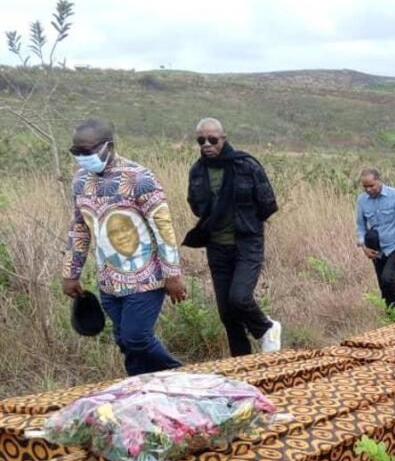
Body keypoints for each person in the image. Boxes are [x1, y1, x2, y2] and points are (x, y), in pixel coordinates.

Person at [61, 118, 187, 376]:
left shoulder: (139, 178)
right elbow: (80, 228)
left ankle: (180, 375)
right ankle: (141, 395)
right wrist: (70, 273)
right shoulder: (80, 181)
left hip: (146, 278)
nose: (83, 157)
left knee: (136, 338)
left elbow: (163, 227)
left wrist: (172, 274)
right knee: (124, 343)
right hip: (108, 281)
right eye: (77, 152)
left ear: (109, 146)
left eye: (88, 151)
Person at [184, 118, 281, 356]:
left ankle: (267, 327)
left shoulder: (246, 165)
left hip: (247, 243)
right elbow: (196, 206)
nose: (207, 144)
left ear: (223, 139)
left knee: (239, 298)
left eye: (212, 139)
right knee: (227, 313)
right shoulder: (198, 170)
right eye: (201, 140)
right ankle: (242, 363)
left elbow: (267, 203)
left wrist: (246, 221)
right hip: (216, 246)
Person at [355, 168, 395, 312]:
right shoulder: (362, 200)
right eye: (365, 186)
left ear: (379, 180)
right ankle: (392, 315)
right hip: (376, 249)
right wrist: (364, 247)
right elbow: (360, 225)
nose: (368, 189)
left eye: (371, 185)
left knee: (387, 278)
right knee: (383, 284)